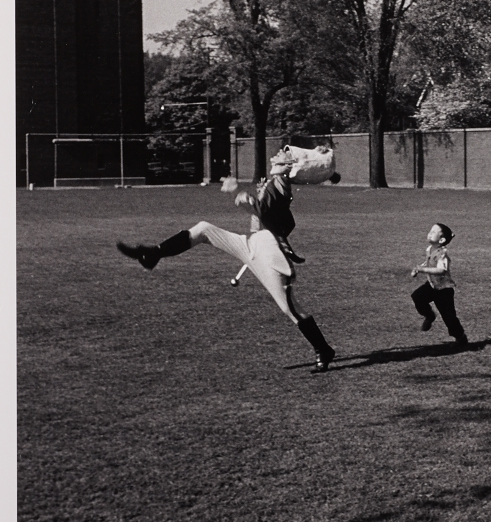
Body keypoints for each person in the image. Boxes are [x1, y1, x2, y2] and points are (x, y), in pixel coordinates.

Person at [116, 147, 337, 373]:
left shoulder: (279, 184)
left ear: (289, 165)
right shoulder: (275, 182)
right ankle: (153, 254)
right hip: (252, 242)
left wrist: (240, 194)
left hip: (268, 249)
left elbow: (263, 210)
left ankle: (323, 349)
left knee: (289, 308)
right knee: (203, 230)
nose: (276, 154)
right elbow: (286, 221)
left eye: (282, 153)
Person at [410, 223, 468, 347]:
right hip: (432, 285)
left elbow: (441, 270)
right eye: (430, 231)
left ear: (441, 240)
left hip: (444, 290)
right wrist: (419, 268)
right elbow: (428, 261)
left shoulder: (442, 254)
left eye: (433, 232)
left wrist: (422, 270)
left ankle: (461, 337)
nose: (429, 233)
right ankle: (429, 315)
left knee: (449, 317)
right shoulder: (429, 249)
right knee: (417, 296)